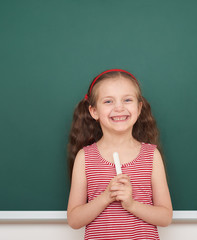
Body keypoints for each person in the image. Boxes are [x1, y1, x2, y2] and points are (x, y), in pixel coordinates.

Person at [67, 69, 172, 239]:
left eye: (127, 100)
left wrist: (131, 205)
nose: (119, 107)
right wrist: (106, 197)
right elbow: (74, 220)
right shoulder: (84, 157)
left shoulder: (151, 155)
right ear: (94, 111)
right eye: (108, 101)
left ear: (139, 108)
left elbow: (165, 217)